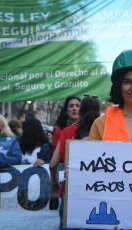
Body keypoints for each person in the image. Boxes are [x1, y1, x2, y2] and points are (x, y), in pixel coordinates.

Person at [50, 96, 100, 230]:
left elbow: (52, 164)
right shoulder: (107, 131)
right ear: (99, 112)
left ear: (80, 112)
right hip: (101, 189)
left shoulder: (67, 131)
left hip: (72, 189)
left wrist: (54, 180)